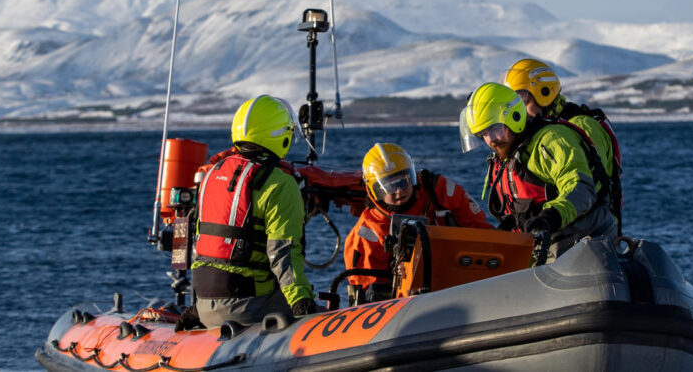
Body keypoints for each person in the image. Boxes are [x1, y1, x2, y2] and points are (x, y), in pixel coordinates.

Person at [191, 95, 317, 329]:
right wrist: (302, 302)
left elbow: (200, 246)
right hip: (249, 307)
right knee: (318, 309)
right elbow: (284, 253)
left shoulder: (211, 175)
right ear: (280, 135)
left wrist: (195, 304)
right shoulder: (280, 183)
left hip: (205, 306)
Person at [459, 82, 617, 260]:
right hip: (544, 249)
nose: (492, 140)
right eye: (483, 134)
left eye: (495, 129)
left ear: (515, 117)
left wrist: (550, 217)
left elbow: (580, 188)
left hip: (583, 242)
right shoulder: (510, 156)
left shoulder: (551, 141)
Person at [344, 142, 491, 304]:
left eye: (403, 181)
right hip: (404, 302)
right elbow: (368, 289)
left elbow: (481, 232)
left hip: (460, 279)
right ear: (375, 189)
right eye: (389, 186)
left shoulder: (441, 192)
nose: (399, 190)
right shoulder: (370, 229)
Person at [503, 58, 623, 230]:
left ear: (544, 94)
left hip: (591, 235)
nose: (518, 111)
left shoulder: (582, 126)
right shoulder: (539, 134)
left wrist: (551, 217)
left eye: (522, 102)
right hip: (557, 235)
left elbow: (589, 184)